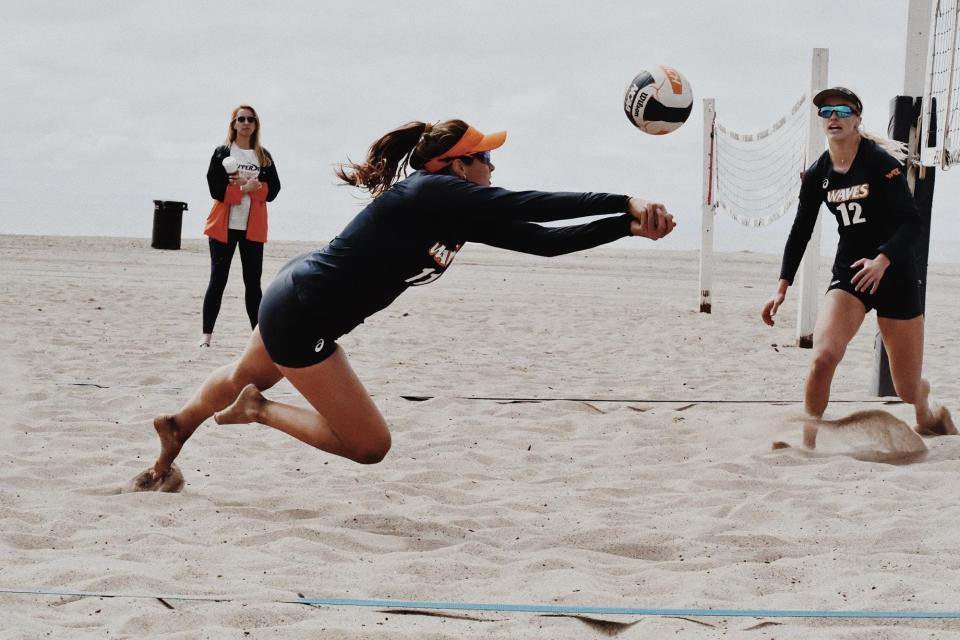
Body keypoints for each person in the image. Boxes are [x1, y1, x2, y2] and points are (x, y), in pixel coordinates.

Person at [139, 118, 675, 487]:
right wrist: (624, 199)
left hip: (296, 295)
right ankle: (259, 410)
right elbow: (530, 203)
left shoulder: (454, 210)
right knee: (369, 444)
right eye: (486, 157)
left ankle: (177, 426)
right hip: (302, 313)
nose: (493, 167)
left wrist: (627, 227)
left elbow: (547, 240)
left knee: (240, 372)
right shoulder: (428, 191)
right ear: (456, 166)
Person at [762, 87, 955, 446]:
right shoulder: (818, 173)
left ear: (858, 118)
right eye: (826, 111)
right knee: (822, 358)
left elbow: (912, 223)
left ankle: (925, 408)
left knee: (907, 388)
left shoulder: (880, 163)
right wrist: (782, 285)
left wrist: (882, 259)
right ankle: (808, 444)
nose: (833, 116)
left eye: (842, 110)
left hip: (894, 273)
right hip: (850, 276)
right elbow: (801, 229)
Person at [200, 105, 281, 348]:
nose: (246, 123)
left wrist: (257, 189)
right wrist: (242, 189)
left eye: (251, 119)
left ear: (256, 125)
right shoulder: (222, 152)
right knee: (218, 280)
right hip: (224, 226)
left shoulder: (263, 156)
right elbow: (214, 187)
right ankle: (206, 337)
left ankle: (258, 338)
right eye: (241, 119)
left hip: (252, 227)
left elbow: (274, 190)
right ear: (234, 124)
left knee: (253, 282)